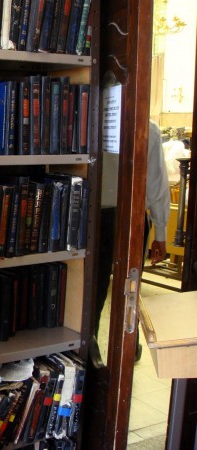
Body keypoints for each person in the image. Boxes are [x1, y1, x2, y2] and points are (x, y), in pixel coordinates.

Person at [95, 119, 170, 360]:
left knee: (95, 289)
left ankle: (89, 348)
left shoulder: (94, 118)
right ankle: (129, 348)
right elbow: (156, 183)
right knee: (130, 286)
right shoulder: (146, 126)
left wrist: (160, 231)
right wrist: (161, 233)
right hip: (131, 216)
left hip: (100, 215)